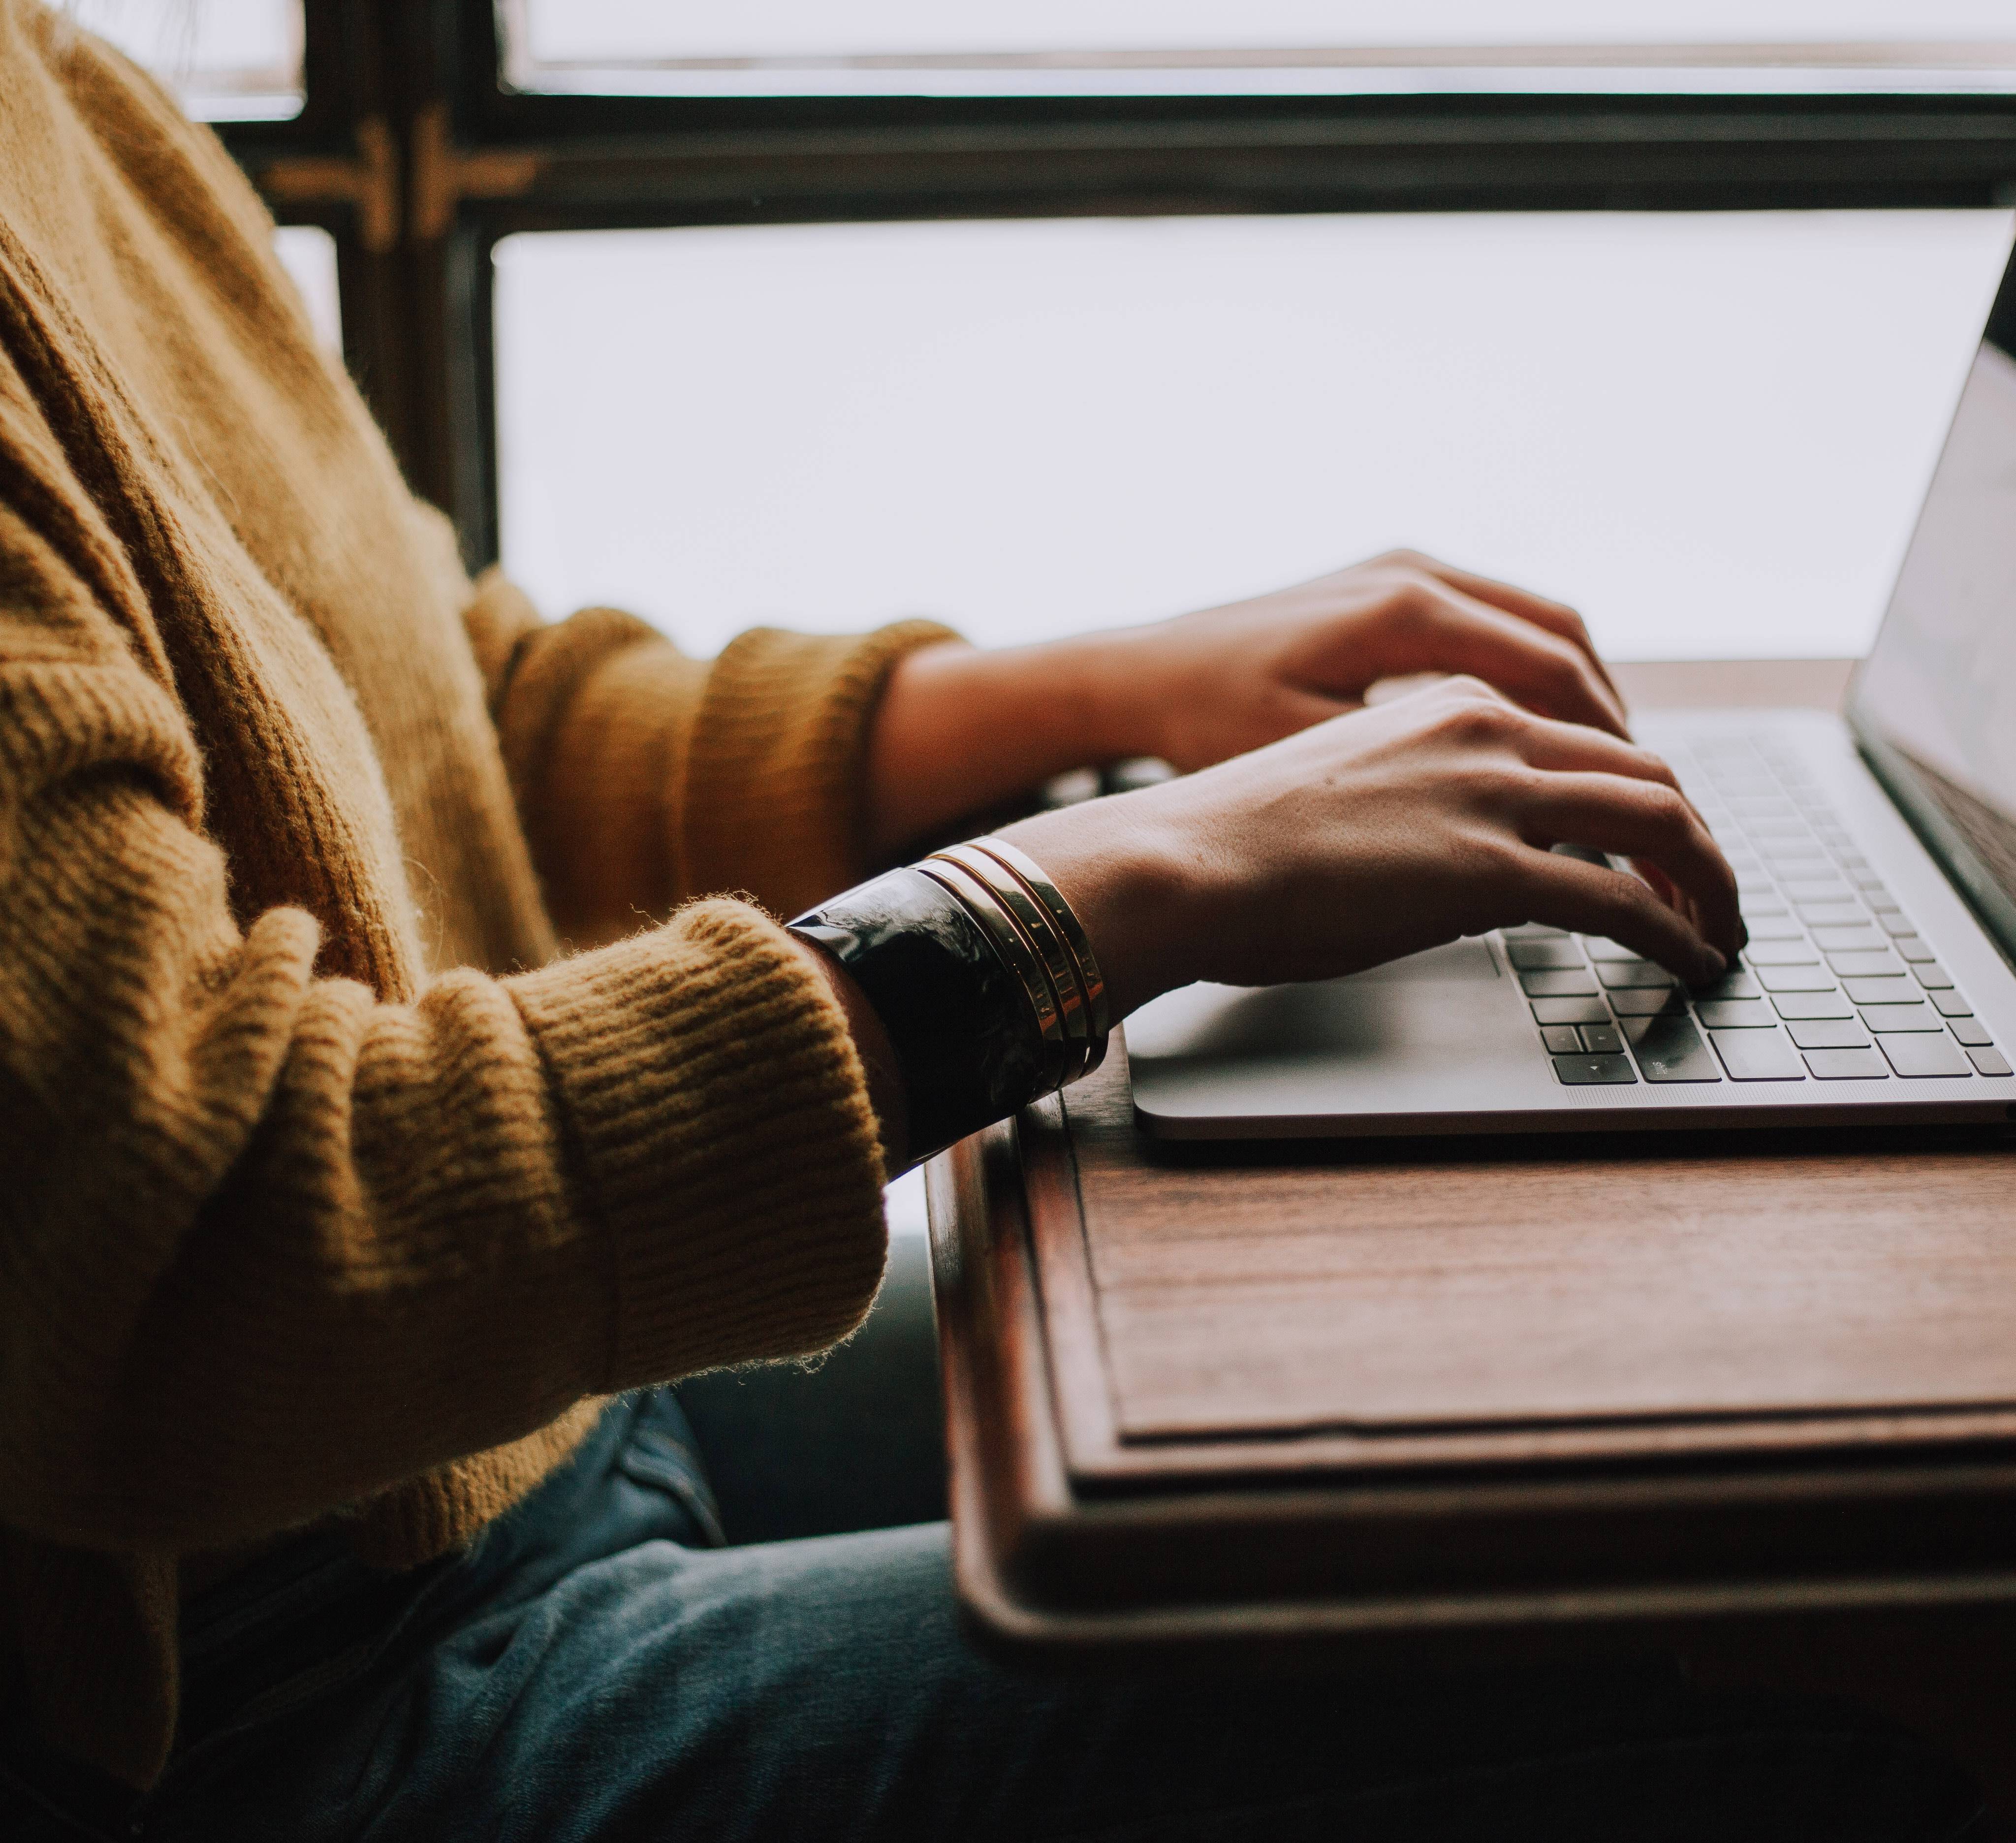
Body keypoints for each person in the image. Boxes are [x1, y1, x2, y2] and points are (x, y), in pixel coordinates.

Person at [0, 3, 1984, 1837]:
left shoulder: (50, 81)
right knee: (1799, 1645)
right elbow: (205, 1252)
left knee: (1565, 1397)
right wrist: (1111, 886)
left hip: (498, 1423)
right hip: (290, 1710)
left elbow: (425, 720)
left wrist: (1087, 698)